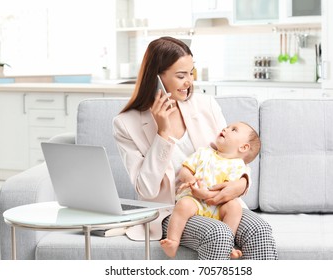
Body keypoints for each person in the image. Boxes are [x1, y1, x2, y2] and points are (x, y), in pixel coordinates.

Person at [113, 36, 278, 260]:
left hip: (215, 202)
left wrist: (241, 183)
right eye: (181, 76)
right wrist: (163, 134)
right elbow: (146, 189)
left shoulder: (206, 105)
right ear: (156, 79)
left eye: (191, 73)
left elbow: (232, 155)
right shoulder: (126, 123)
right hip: (171, 210)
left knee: (260, 232)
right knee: (217, 234)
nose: (189, 81)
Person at [160, 121, 261, 259]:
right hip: (195, 201)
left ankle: (228, 245)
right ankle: (173, 241)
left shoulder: (238, 166)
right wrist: (190, 179)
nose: (225, 128)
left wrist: (206, 194)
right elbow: (184, 170)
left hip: (219, 205)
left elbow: (227, 191)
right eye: (227, 126)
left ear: (243, 147)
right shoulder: (204, 153)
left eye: (234, 129)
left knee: (234, 207)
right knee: (183, 205)